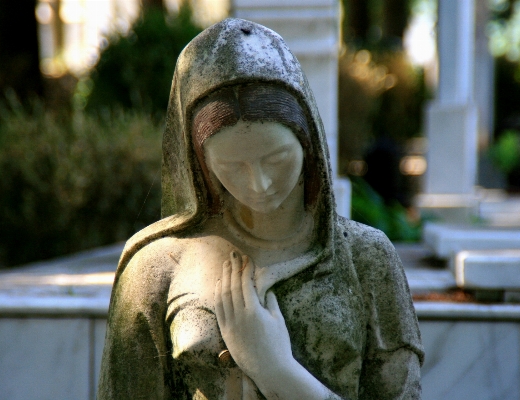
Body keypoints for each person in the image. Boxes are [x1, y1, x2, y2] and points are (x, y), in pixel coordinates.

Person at [98, 18, 424, 399]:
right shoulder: (156, 266)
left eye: (276, 158)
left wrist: (274, 368)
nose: (260, 184)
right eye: (233, 167)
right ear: (202, 166)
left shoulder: (367, 259)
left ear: (307, 142)